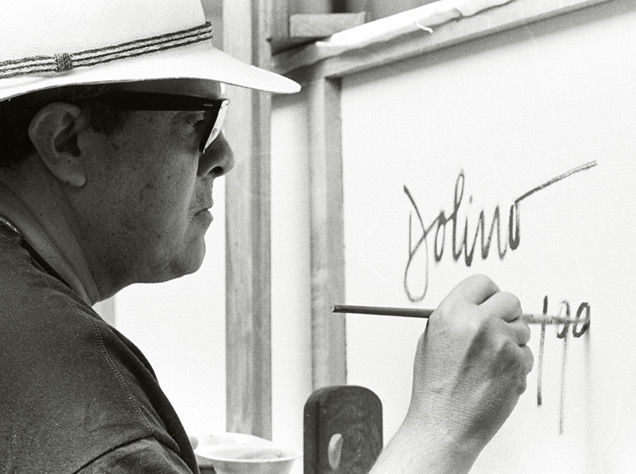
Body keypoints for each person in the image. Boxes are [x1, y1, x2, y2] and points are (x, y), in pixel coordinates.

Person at [0, 0, 533, 473]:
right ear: (66, 142)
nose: (224, 156)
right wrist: (442, 427)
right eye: (197, 123)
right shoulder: (95, 427)